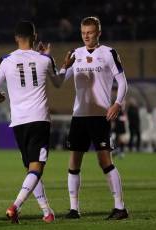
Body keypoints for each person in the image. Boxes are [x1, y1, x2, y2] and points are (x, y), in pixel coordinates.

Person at [0, 20, 65, 224]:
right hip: (39, 119)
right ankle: (15, 206)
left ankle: (47, 211)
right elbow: (58, 82)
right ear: (35, 37)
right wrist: (65, 66)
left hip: (19, 122)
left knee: (31, 169)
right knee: (36, 169)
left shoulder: (5, 60)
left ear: (15, 38)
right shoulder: (44, 59)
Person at [57, 16, 129, 220]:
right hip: (79, 115)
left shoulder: (109, 53)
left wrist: (117, 103)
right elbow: (60, 81)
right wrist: (64, 66)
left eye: (90, 32)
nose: (86, 36)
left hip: (100, 115)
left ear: (98, 32)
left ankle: (120, 207)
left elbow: (122, 82)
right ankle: (73, 209)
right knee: (73, 163)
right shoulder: (76, 54)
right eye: (83, 33)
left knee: (105, 160)